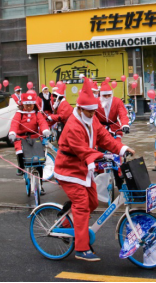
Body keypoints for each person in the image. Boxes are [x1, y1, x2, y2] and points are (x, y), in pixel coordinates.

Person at [54, 79, 135, 261]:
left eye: (93, 111)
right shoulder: (73, 125)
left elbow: (105, 138)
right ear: (81, 108)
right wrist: (101, 157)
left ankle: (67, 221)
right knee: (82, 204)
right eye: (89, 111)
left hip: (83, 169)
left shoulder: (92, 119)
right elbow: (82, 149)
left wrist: (121, 149)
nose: (92, 114)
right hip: (68, 170)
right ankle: (81, 249)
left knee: (93, 202)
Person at [9, 93, 51, 181]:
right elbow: (15, 123)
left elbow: (42, 122)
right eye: (26, 105)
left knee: (38, 161)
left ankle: (40, 184)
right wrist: (12, 133)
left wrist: (45, 130)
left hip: (34, 137)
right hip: (21, 137)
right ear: (23, 104)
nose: (29, 108)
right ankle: (21, 167)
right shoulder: (19, 114)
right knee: (20, 152)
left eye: (30, 105)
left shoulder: (36, 113)